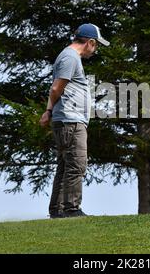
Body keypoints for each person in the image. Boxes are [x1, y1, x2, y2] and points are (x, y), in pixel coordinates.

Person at [39, 23, 110, 218]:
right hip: (71, 120)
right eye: (96, 46)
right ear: (90, 42)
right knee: (77, 164)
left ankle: (58, 210)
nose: (95, 51)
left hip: (68, 119)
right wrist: (49, 110)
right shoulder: (71, 58)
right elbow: (55, 89)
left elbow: (55, 88)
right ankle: (71, 209)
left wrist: (49, 111)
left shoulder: (68, 57)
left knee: (65, 165)